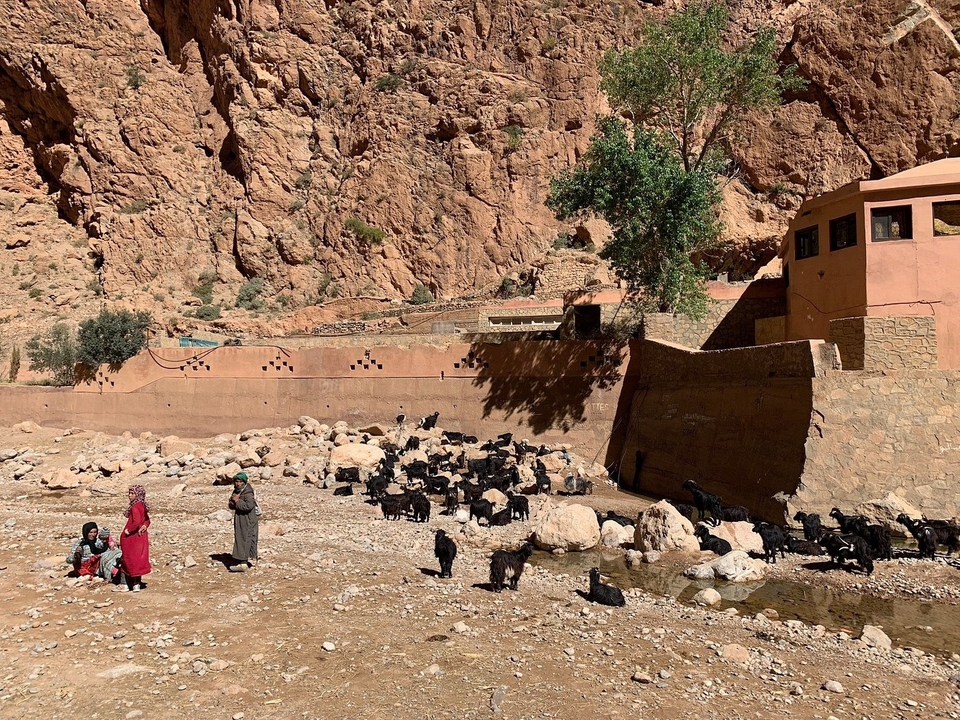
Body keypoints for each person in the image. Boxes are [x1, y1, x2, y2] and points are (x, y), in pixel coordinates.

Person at [119, 484, 151, 591]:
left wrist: (127, 531)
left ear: (138, 494)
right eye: (129, 493)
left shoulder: (135, 507)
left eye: (132, 493)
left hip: (132, 538)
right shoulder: (142, 505)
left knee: (127, 559)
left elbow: (136, 522)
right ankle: (136, 584)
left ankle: (124, 584)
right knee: (138, 559)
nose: (129, 495)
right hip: (141, 538)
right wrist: (145, 526)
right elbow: (147, 520)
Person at [229, 472, 259, 572]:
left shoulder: (248, 492)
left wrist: (237, 501)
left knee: (246, 538)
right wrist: (234, 501)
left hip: (248, 519)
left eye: (240, 481)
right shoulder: (237, 491)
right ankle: (241, 560)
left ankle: (243, 564)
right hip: (240, 519)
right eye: (236, 481)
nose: (237, 483)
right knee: (240, 537)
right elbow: (230, 503)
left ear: (244, 482)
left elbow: (248, 506)